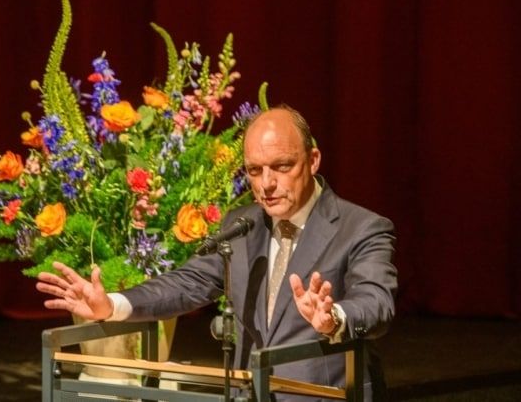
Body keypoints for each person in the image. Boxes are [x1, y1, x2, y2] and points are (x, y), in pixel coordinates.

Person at [37, 105, 398, 401]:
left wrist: (333, 317)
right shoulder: (242, 224)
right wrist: (112, 305)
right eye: (255, 171)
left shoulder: (362, 227)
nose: (267, 184)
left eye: (282, 167)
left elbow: (376, 302)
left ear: (313, 159)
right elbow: (187, 282)